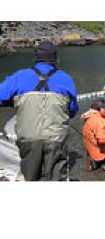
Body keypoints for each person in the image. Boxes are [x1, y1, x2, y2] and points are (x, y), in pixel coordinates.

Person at [0, 41, 79, 181]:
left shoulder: (19, 76)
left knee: (29, 177)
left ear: (36, 58)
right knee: (56, 178)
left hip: (28, 139)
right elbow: (73, 111)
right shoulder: (66, 79)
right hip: (56, 139)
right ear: (56, 59)